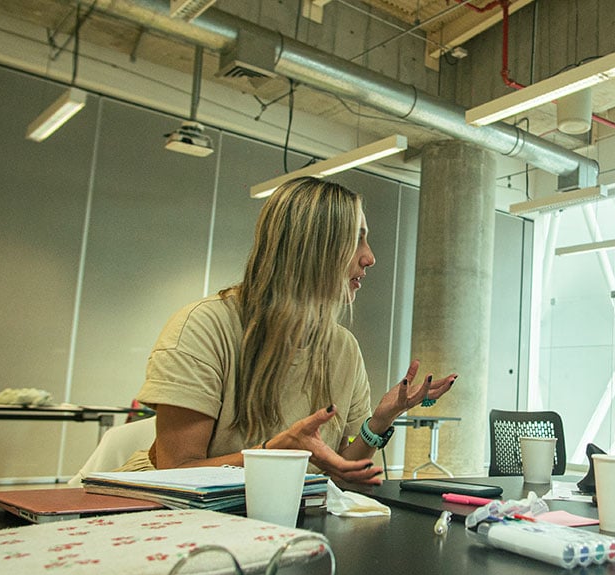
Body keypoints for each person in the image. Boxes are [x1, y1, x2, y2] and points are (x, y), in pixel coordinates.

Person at [128, 177, 456, 484]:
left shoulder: (343, 347)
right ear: (310, 247)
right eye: (356, 239)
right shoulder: (202, 329)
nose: (369, 257)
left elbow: (341, 470)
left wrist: (382, 420)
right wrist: (273, 454)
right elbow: (174, 473)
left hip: (278, 518)